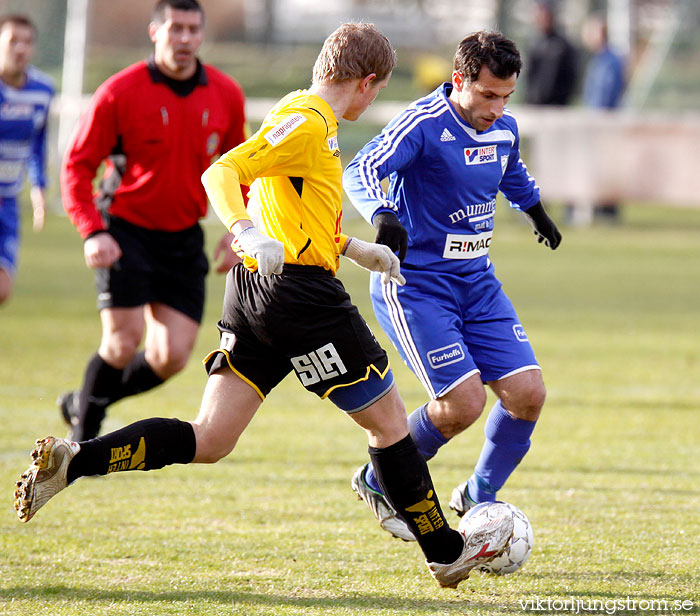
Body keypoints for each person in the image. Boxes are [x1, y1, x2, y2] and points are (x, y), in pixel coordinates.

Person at [14, 22, 513, 589]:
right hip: (301, 299)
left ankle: (75, 460)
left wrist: (354, 249)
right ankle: (445, 550)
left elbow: (290, 210)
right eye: (377, 91)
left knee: (210, 438)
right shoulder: (306, 123)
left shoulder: (301, 114)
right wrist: (245, 230)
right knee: (391, 425)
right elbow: (221, 172)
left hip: (255, 293)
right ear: (367, 83)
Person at [343, 30, 561, 542]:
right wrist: (382, 215)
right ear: (459, 79)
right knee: (463, 404)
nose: (496, 108)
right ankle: (378, 479)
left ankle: (478, 498)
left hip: (477, 282)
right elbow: (362, 168)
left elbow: (510, 170)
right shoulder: (423, 124)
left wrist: (536, 211)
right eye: (487, 95)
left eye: (506, 96)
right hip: (416, 286)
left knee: (528, 394)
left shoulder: (502, 126)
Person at [57, 0, 246, 441]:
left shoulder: (225, 93)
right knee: (123, 343)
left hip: (182, 238)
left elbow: (242, 168)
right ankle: (82, 444)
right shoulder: (120, 92)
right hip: (124, 231)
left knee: (172, 357)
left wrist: (242, 229)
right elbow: (77, 167)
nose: (184, 39)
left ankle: (81, 401)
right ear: (155, 31)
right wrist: (93, 230)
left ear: (201, 35)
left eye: (192, 30)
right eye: (175, 28)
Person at [0, 14, 54, 306]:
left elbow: (37, 143)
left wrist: (38, 190)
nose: (20, 48)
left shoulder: (42, 91)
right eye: (12, 41)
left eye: (27, 42)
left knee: (3, 290)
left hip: (7, 203)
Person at [581, 13, 626, 222]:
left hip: (606, 124)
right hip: (595, 123)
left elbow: (606, 96)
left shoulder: (610, 61)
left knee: (609, 167)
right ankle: (598, 207)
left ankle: (608, 210)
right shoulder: (597, 61)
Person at [524, 0, 578, 106]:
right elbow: (529, 76)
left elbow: (570, 76)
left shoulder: (563, 45)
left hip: (556, 106)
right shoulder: (534, 45)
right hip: (535, 105)